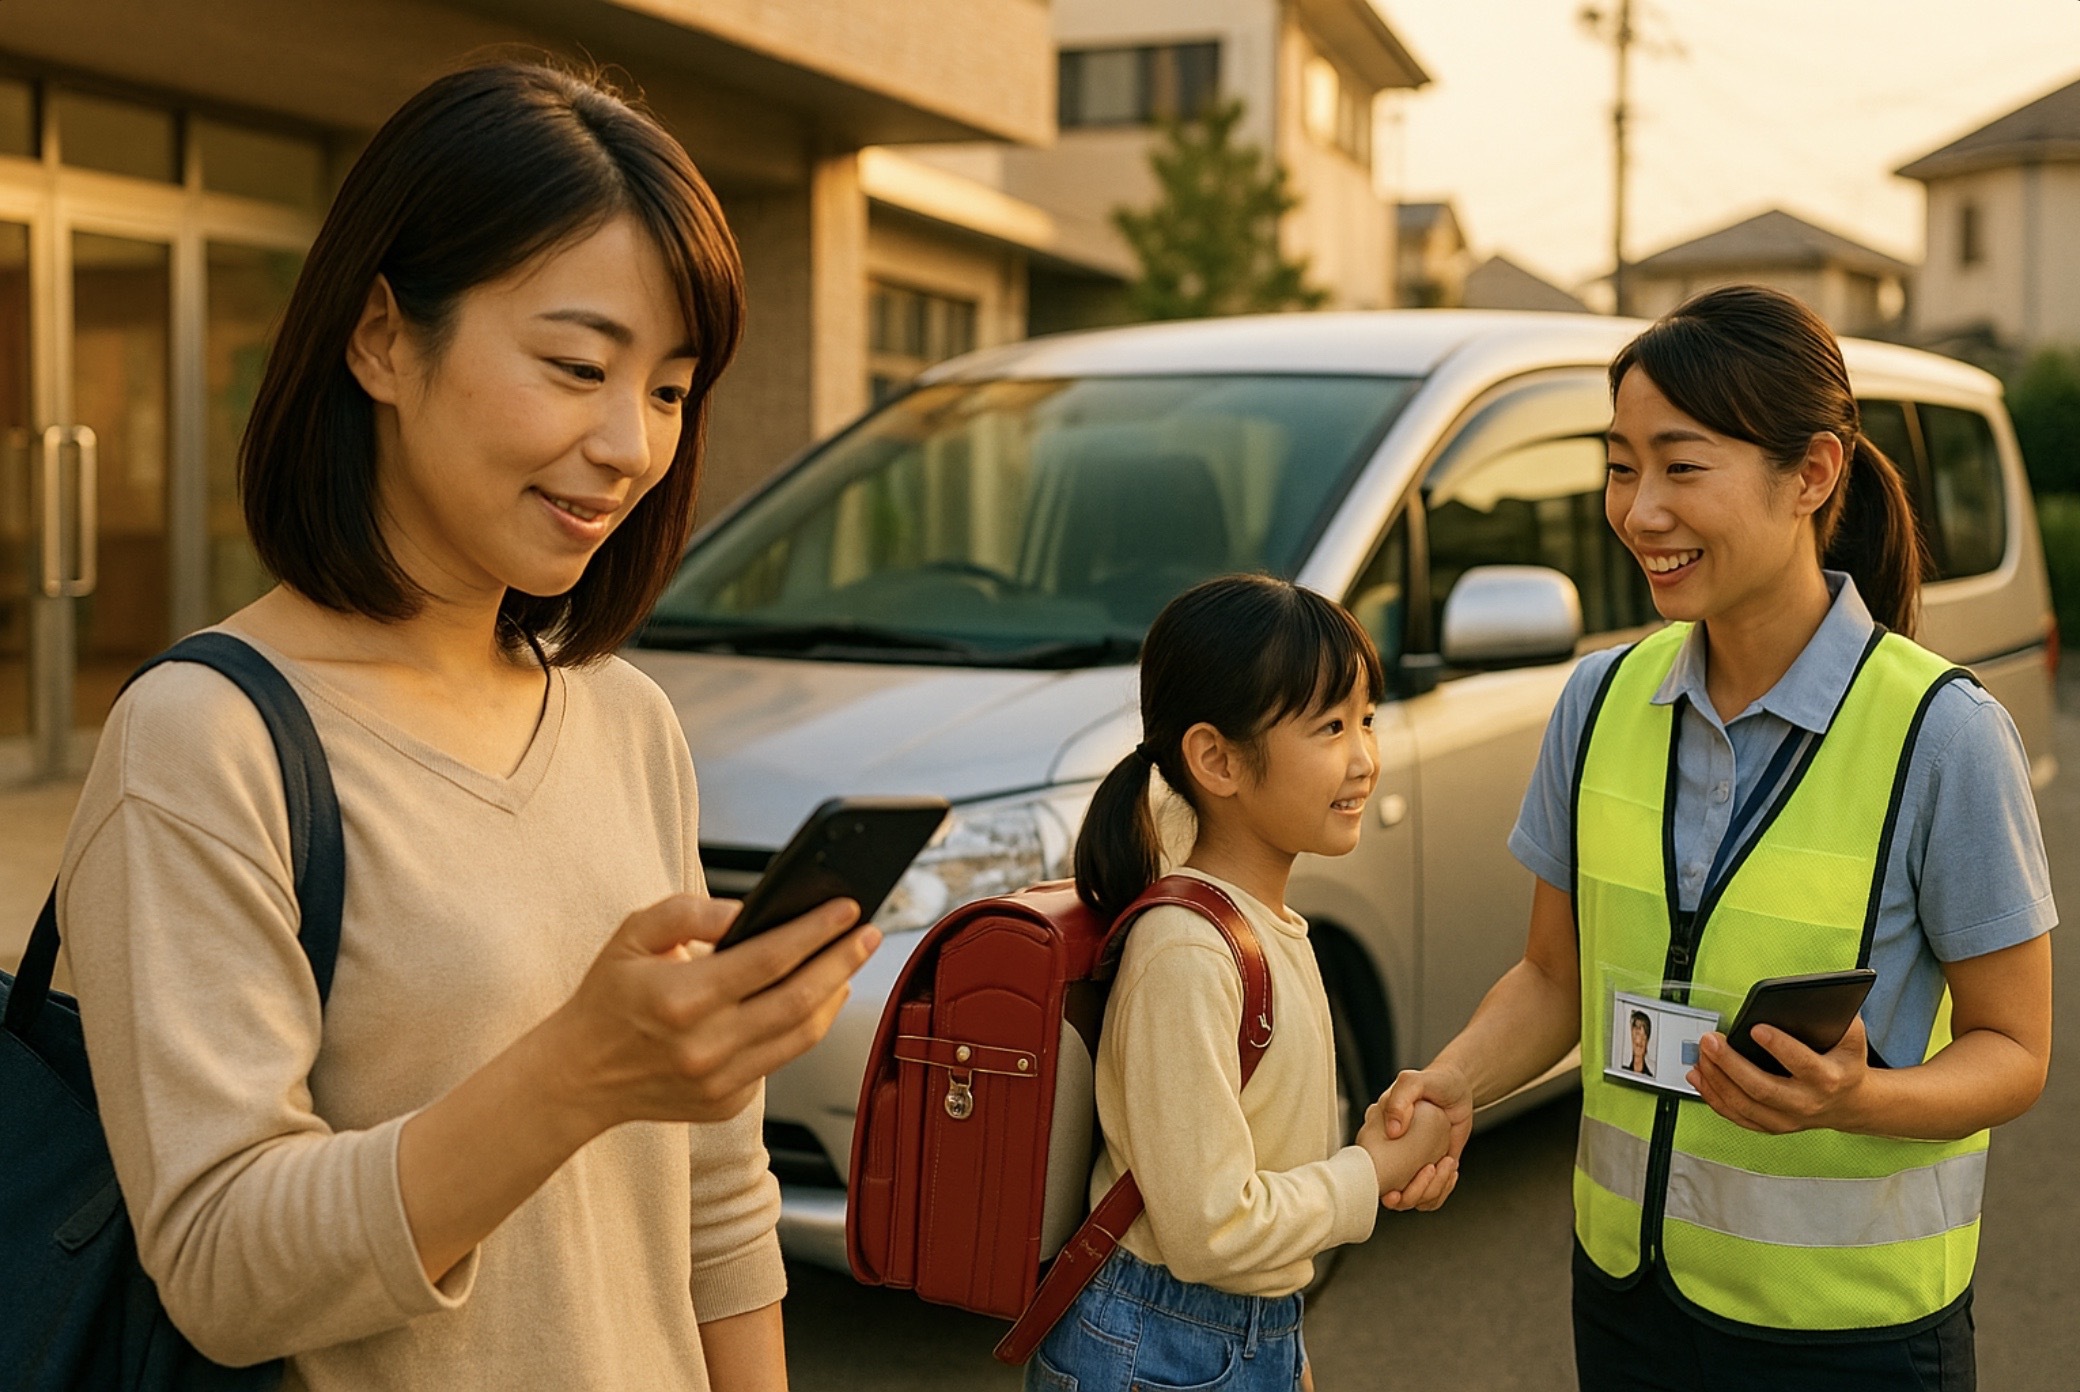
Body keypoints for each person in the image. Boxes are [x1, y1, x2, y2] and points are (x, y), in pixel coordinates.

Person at [55, 62, 880, 1390]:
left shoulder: (628, 721)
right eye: (578, 366)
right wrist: (578, 1074)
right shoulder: (204, 740)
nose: (631, 446)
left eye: (670, 390)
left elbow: (718, 1205)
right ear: (383, 339)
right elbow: (218, 1268)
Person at [1368, 285, 2054, 1391]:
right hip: (1627, 1302)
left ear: (1813, 474)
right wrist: (1452, 1083)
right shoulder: (1596, 701)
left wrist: (1858, 1099)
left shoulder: (1944, 733)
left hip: (1851, 1337)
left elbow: (2014, 1052)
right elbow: (1554, 976)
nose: (1640, 512)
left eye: (1681, 467)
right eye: (1619, 466)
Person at [1028, 574, 1452, 1392]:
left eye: (1366, 719)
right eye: (1330, 727)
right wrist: (1370, 1173)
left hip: (1233, 1334)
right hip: (1155, 1349)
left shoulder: (1261, 923)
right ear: (1216, 759)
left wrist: (1281, 1347)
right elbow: (1211, 1228)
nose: (1364, 758)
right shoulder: (1186, 952)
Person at [1625, 1010, 1653, 1077]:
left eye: (1644, 1036)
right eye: (1637, 1033)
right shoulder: (1623, 1072)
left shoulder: (1649, 1078)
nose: (1639, 1041)